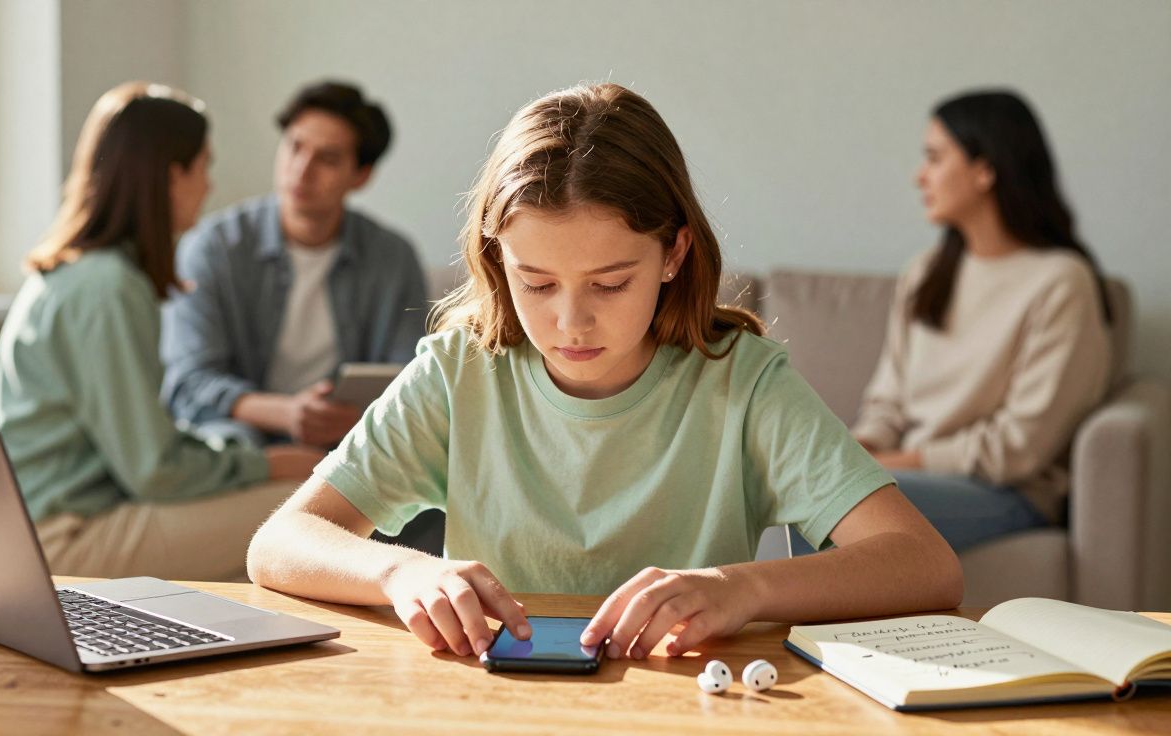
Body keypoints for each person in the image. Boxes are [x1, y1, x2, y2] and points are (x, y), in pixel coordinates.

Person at [246, 83, 962, 662]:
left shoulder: (741, 382)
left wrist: (739, 589)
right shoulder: (459, 372)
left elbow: (926, 565)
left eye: (611, 284)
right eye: (536, 282)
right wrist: (401, 571)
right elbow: (279, 542)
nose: (570, 322)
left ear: (674, 254)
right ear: (497, 260)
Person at [0, 82, 320, 581]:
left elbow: (144, 444)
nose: (209, 186)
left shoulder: (74, 273)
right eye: (204, 166)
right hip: (64, 536)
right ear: (171, 175)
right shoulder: (107, 288)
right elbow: (154, 471)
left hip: (39, 522)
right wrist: (268, 464)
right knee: (313, 508)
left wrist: (244, 459)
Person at [849, 90, 1113, 553]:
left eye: (934, 158)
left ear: (985, 170)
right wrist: (856, 449)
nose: (919, 176)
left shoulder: (1061, 282)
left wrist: (887, 463)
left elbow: (1019, 446)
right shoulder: (925, 273)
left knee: (840, 506)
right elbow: (887, 402)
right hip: (903, 475)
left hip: (1005, 493)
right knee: (801, 491)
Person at [161, 81, 428, 449]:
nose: (301, 171)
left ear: (361, 175)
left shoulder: (392, 258)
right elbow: (189, 380)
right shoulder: (214, 248)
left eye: (328, 159)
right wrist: (286, 413)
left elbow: (412, 381)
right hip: (244, 435)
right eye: (294, 147)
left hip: (353, 439)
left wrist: (355, 420)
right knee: (229, 441)